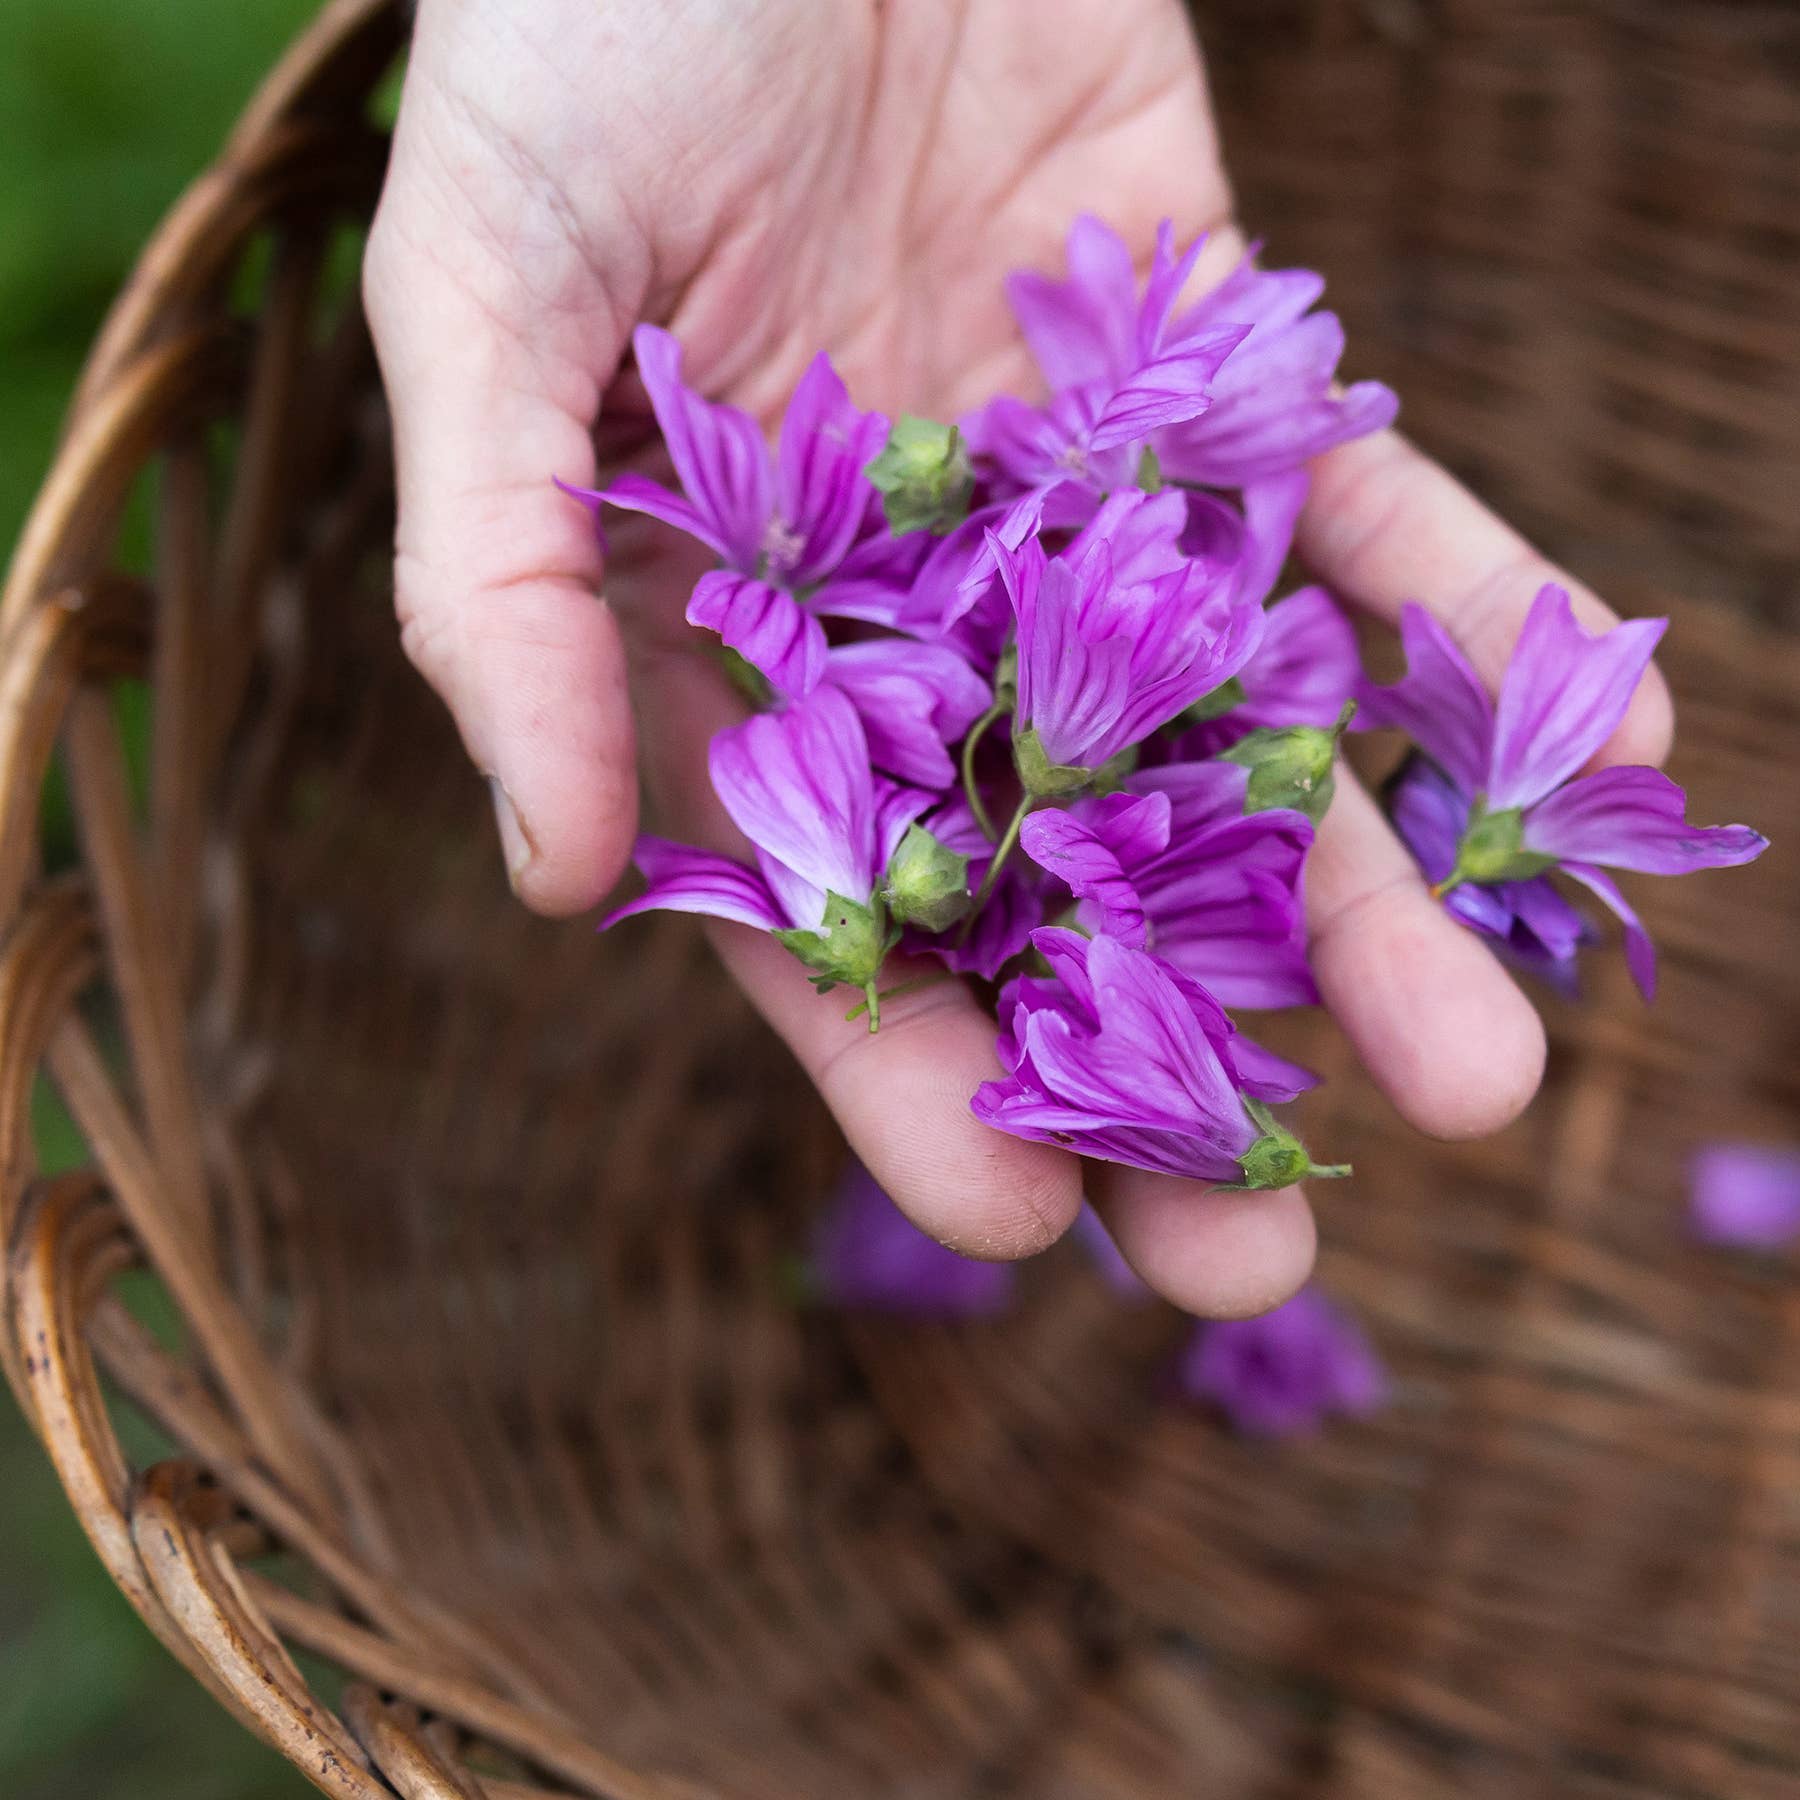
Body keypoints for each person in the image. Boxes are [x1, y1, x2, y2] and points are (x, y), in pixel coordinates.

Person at [362, 0, 1672, 1317]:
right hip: (988, 697)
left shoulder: (1016, 714)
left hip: (1013, 704)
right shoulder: (921, 661)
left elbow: (1055, 791)